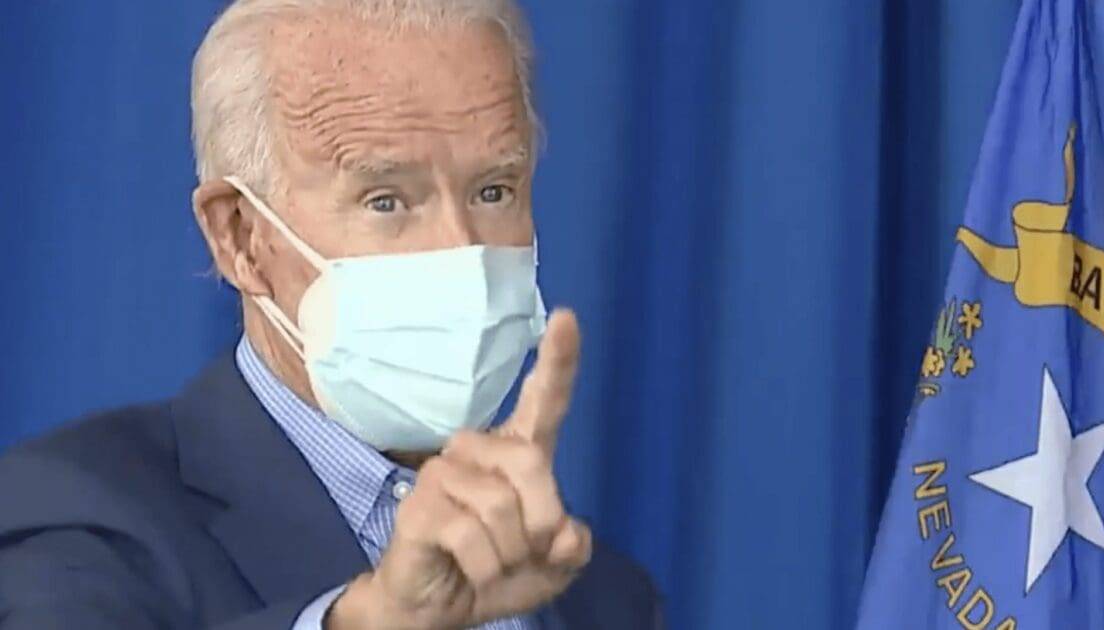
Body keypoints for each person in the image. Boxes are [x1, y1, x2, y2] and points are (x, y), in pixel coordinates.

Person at [0, 1, 660, 628]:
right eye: (386, 200)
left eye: (493, 191)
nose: (462, 250)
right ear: (241, 238)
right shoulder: (81, 519)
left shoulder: (605, 600)